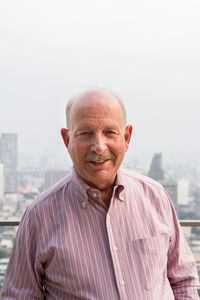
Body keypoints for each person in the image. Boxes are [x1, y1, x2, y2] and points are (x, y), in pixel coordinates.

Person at [1, 87, 200, 299]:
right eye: (85, 133)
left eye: (109, 132)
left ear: (126, 137)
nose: (98, 146)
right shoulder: (39, 216)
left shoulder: (156, 197)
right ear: (67, 140)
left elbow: (183, 281)